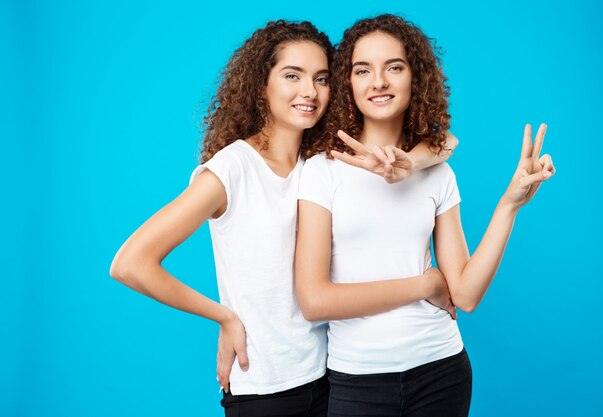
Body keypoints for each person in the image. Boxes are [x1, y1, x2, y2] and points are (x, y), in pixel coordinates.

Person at [109, 19, 459, 417]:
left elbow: (446, 141)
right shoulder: (231, 171)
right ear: (262, 85)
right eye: (292, 76)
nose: (309, 91)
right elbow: (131, 264)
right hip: (264, 387)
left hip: (327, 377)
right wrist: (223, 317)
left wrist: (412, 163)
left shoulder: (319, 161)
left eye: (322, 78)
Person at [295, 14, 555, 417]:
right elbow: (313, 301)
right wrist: (422, 285)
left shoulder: (437, 171)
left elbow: (465, 294)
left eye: (393, 68)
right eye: (362, 70)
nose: (378, 81)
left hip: (442, 370)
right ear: (349, 83)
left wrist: (509, 204)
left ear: (416, 79)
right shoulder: (321, 172)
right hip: (358, 380)